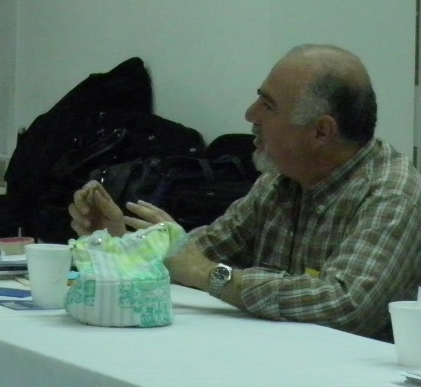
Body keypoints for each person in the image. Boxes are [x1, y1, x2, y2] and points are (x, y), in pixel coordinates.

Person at [71, 44, 421, 338]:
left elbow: (345, 305)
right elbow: (192, 256)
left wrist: (211, 276)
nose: (250, 115)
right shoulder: (279, 181)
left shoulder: (391, 193)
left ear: (321, 132)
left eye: (268, 106)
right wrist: (117, 242)